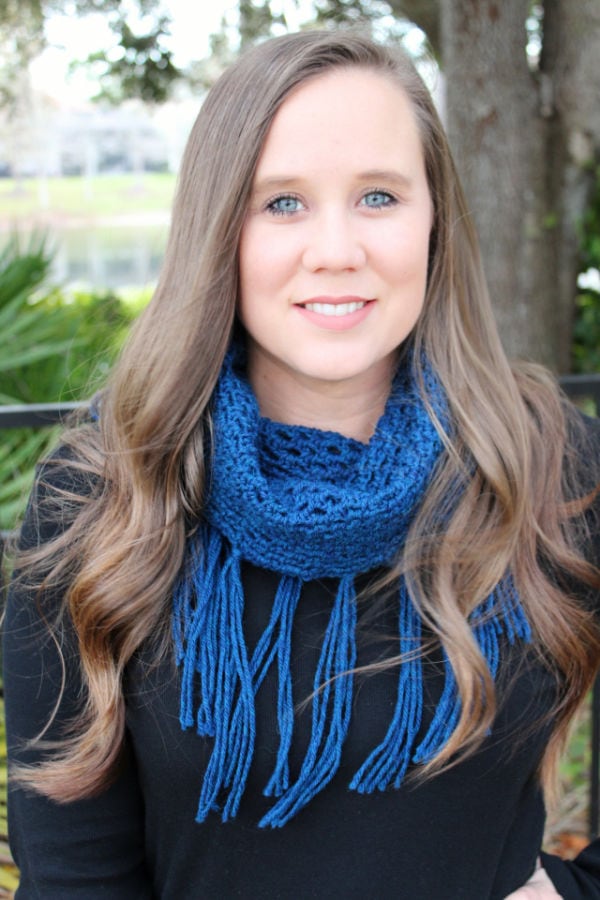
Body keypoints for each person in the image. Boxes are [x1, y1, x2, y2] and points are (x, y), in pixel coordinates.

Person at [3, 28, 600, 900]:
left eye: (379, 197)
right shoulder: (104, 491)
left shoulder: (550, 463)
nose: (336, 249)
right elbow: (75, 875)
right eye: (282, 202)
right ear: (219, 228)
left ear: (435, 219)